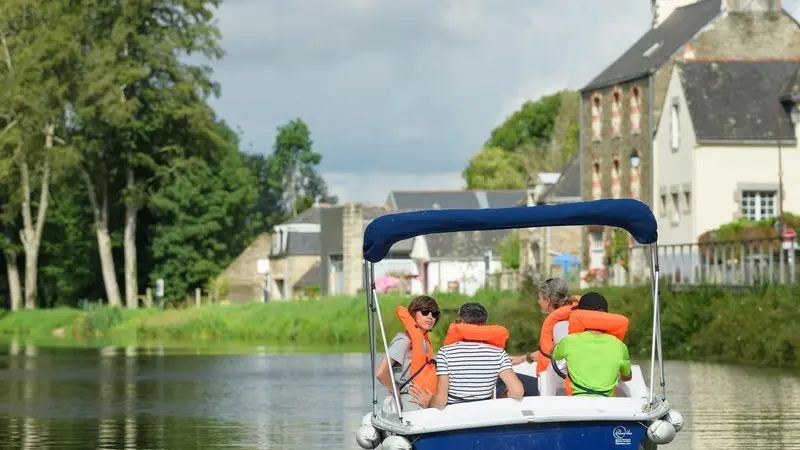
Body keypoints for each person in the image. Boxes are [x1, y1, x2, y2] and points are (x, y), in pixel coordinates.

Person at [410, 302, 524, 408]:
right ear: (484, 324)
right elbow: (517, 391)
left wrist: (429, 402)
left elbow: (441, 400)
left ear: (459, 322)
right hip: (484, 416)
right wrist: (503, 397)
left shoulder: (445, 352)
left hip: (454, 416)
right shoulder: (499, 353)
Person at [501, 278, 578, 396]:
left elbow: (558, 360)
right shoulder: (574, 318)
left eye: (540, 298)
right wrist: (524, 357)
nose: (538, 301)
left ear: (547, 300)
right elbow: (553, 352)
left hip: (552, 386)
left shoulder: (559, 325)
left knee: (501, 379)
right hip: (563, 383)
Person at [552, 292, 632, 397]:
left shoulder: (569, 341)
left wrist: (558, 345)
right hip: (608, 408)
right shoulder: (619, 346)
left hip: (576, 405)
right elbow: (627, 376)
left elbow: (554, 355)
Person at [374, 295, 440, 411]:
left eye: (434, 314)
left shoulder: (425, 341)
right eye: (425, 312)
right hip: (410, 399)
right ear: (413, 313)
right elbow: (381, 372)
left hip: (427, 399)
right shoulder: (403, 340)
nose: (430, 317)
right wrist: (396, 393)